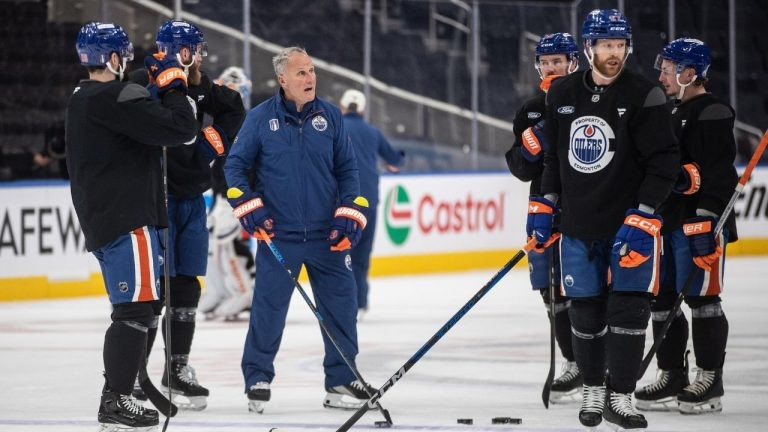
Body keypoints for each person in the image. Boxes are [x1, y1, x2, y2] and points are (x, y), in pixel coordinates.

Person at [532, 9, 679, 431]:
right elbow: (555, 159)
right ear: (589, 47)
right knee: (585, 313)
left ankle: (623, 396)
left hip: (631, 226)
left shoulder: (644, 95)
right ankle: (594, 388)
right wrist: (545, 206)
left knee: (630, 311)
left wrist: (645, 212)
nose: (614, 53)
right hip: (579, 226)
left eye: (620, 45)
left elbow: (664, 161)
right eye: (606, 45)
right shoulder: (560, 95)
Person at [224, 46, 374, 414]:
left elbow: (347, 170)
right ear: (282, 80)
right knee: (268, 310)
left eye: (311, 70)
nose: (310, 78)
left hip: (328, 238)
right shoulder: (260, 118)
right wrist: (248, 206)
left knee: (342, 306)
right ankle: (257, 376)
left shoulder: (331, 117)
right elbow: (235, 168)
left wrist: (349, 211)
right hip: (280, 236)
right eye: (301, 73)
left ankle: (341, 378)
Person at [65, 22, 197, 430]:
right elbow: (183, 128)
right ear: (114, 57)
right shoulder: (115, 96)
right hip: (128, 219)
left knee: (139, 307)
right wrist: (174, 82)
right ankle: (116, 400)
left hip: (107, 218)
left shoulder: (83, 96)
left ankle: (121, 393)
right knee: (135, 310)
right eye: (124, 54)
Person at [130, 19, 245, 411]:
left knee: (186, 286)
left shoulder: (201, 85)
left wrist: (210, 147)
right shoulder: (143, 81)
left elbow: (234, 109)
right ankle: (134, 373)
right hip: (153, 201)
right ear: (181, 50)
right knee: (153, 291)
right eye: (194, 49)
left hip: (191, 201)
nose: (199, 56)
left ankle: (175, 368)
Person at [634, 38, 737, 415]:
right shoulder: (672, 111)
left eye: (667, 68)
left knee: (702, 301)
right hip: (668, 221)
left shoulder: (712, 111)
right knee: (662, 300)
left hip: (698, 223)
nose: (660, 74)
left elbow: (719, 174)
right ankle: (672, 375)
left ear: (689, 72)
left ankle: (710, 379)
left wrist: (708, 219)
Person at [504, 32, 582, 405]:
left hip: (588, 210)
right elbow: (521, 168)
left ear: (573, 62)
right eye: (545, 62)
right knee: (551, 293)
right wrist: (533, 143)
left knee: (587, 288)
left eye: (558, 61)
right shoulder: (531, 110)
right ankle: (573, 362)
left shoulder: (592, 102)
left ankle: (597, 364)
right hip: (544, 212)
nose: (551, 67)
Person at [339, 88, 404, 319]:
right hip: (368, 200)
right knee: (362, 254)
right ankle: (361, 303)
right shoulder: (373, 132)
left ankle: (340, 302)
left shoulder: (334, 128)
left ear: (343, 106)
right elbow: (395, 160)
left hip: (341, 201)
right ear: (363, 108)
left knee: (339, 252)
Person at [199, 66, 255, 322]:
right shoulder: (224, 121)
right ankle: (220, 291)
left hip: (236, 196)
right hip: (222, 194)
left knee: (229, 245)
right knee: (212, 246)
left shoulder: (248, 123)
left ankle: (244, 292)